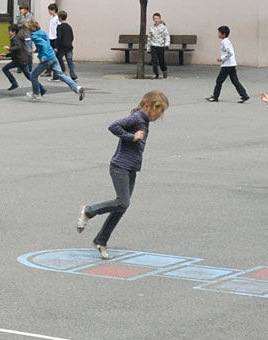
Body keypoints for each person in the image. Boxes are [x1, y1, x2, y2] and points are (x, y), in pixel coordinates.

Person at [77, 91, 170, 259]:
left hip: (131, 168)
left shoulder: (144, 120)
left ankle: (101, 240)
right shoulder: (137, 117)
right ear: (147, 105)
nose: (160, 114)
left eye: (162, 111)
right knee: (122, 202)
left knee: (122, 207)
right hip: (120, 166)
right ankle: (88, 211)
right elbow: (114, 126)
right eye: (158, 109)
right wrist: (131, 136)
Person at [26, 20, 84, 101]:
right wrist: (36, 50)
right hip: (53, 56)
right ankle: (77, 89)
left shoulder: (34, 36)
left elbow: (43, 44)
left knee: (33, 76)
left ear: (31, 28)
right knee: (61, 75)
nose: (27, 31)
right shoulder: (42, 32)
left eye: (27, 29)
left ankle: (36, 94)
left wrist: (43, 56)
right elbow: (47, 43)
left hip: (46, 59)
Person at [206, 26, 250, 103]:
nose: (218, 34)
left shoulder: (224, 42)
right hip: (232, 64)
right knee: (235, 81)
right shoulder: (227, 41)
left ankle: (215, 97)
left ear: (224, 34)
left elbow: (229, 53)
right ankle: (244, 95)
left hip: (227, 65)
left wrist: (222, 59)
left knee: (219, 81)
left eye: (219, 33)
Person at [0, 25, 33, 92]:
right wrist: (6, 55)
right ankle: (41, 88)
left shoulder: (15, 38)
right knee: (29, 76)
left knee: (5, 69)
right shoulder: (18, 38)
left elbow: (18, 47)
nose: (8, 33)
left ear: (13, 32)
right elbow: (16, 51)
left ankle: (14, 83)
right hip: (22, 59)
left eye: (9, 31)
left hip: (19, 60)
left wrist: (9, 48)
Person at [54, 11, 76, 81]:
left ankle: (62, 73)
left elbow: (59, 37)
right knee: (70, 61)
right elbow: (72, 37)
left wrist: (56, 47)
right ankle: (73, 76)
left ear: (60, 18)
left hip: (62, 47)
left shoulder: (60, 27)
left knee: (59, 59)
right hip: (69, 46)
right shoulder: (69, 26)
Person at [147, 13, 170, 79]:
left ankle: (164, 70)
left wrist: (167, 44)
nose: (156, 20)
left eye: (157, 18)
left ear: (160, 19)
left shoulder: (163, 27)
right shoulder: (152, 28)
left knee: (161, 60)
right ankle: (156, 73)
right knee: (154, 61)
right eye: (154, 18)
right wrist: (148, 48)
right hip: (153, 46)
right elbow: (149, 38)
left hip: (160, 46)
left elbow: (167, 36)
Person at [44, 3, 61, 80]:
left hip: (55, 38)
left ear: (54, 10)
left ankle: (54, 72)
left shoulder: (57, 18)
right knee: (49, 55)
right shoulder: (52, 18)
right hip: (51, 38)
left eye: (50, 10)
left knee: (54, 55)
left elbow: (59, 28)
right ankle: (49, 70)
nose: (49, 12)